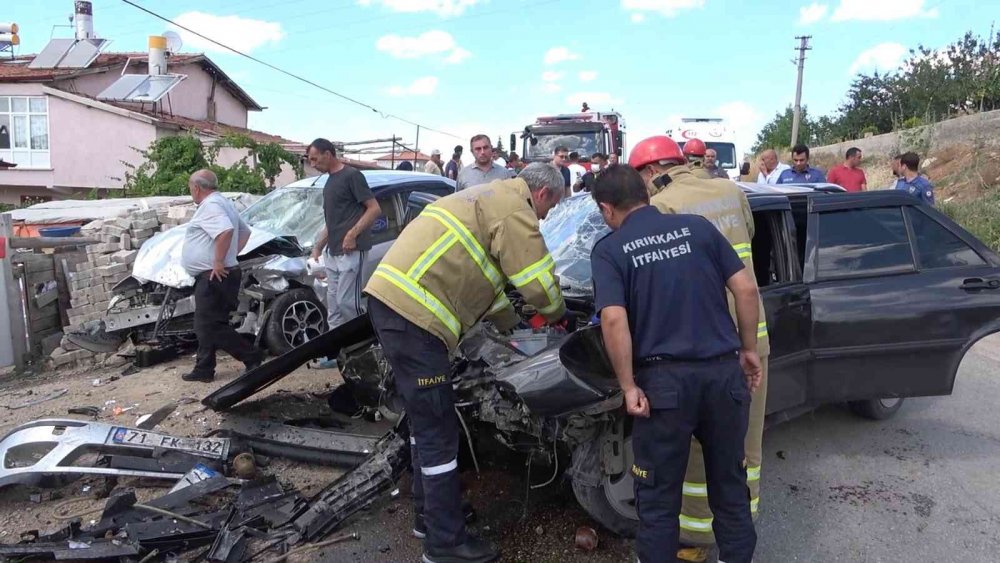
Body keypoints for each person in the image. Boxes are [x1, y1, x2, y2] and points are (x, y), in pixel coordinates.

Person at [364, 162, 569, 563]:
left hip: (393, 306)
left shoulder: (484, 198)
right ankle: (444, 544)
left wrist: (514, 325)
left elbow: (487, 286)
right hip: (414, 318)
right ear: (542, 194)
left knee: (426, 426)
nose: (544, 217)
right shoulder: (515, 209)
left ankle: (432, 516)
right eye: (548, 209)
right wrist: (559, 315)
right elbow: (538, 280)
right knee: (439, 430)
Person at [590, 164, 762, 563]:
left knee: (658, 496)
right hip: (723, 376)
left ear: (606, 209)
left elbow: (614, 319)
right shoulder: (698, 228)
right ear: (646, 194)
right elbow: (746, 287)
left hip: (664, 387)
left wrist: (629, 385)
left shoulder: (610, 249)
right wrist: (748, 349)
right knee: (730, 485)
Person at [631, 135, 769, 561]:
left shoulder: (664, 207)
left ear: (651, 172)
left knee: (692, 449)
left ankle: (694, 541)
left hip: (699, 342)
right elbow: (747, 243)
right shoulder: (730, 190)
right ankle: (739, 534)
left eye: (642, 181)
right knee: (743, 444)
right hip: (752, 335)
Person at [180, 169, 263, 382]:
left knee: (210, 326)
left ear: (196, 188)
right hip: (219, 274)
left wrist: (219, 261)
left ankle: (252, 355)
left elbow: (225, 231)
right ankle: (204, 368)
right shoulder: (224, 203)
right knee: (207, 324)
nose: (191, 191)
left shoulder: (211, 206)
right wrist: (229, 256)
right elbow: (245, 233)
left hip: (215, 275)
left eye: (191, 187)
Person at [307, 138, 382, 330]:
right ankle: (337, 353)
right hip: (332, 252)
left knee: (347, 303)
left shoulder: (352, 176)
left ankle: (365, 344)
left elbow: (374, 209)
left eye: (315, 160)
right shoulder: (330, 181)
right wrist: (318, 246)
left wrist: (352, 235)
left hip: (351, 251)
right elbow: (332, 221)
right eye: (310, 160)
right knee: (333, 306)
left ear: (328, 154)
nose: (313, 165)